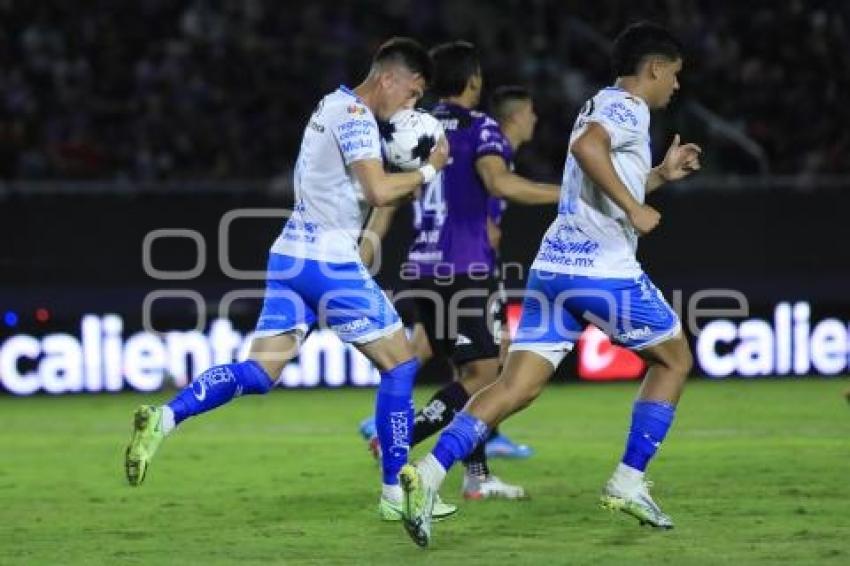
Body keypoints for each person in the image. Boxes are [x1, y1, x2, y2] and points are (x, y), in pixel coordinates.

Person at [123, 37, 459, 522]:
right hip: (328, 262)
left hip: (289, 257)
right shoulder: (358, 118)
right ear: (390, 78)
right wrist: (431, 168)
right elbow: (379, 190)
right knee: (402, 366)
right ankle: (393, 494)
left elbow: (363, 190)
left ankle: (166, 415)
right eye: (413, 93)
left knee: (260, 373)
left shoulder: (331, 103)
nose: (413, 105)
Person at [398, 22, 703, 547]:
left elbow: (595, 173)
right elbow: (589, 151)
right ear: (653, 68)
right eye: (673, 75)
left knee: (515, 387)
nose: (675, 86)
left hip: (553, 268)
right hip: (600, 268)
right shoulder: (629, 109)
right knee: (674, 360)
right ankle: (628, 481)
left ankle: (425, 475)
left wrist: (656, 175)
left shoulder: (599, 103)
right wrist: (637, 207)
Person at [359, 42, 560, 502]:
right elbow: (496, 183)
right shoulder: (481, 127)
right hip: (465, 270)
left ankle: (477, 476)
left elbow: (387, 199)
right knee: (486, 377)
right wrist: (567, 194)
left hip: (421, 269)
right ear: (474, 81)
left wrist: (366, 246)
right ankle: (402, 439)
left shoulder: (416, 127)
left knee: (466, 370)